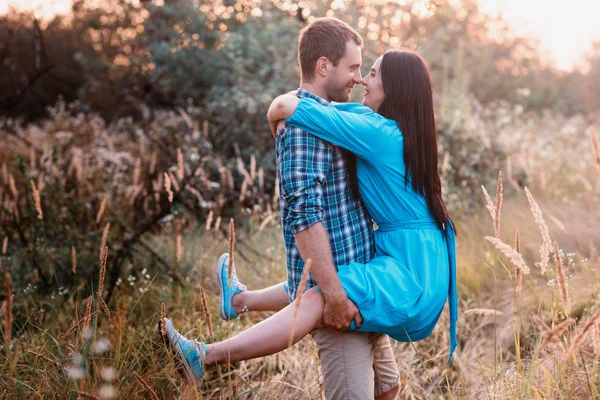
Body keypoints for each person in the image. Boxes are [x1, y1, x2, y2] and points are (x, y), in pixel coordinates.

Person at [162, 21, 458, 400]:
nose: (363, 80)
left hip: (412, 271)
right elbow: (325, 113)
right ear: (323, 66)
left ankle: (204, 356)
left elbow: (292, 108)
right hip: (415, 258)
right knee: (389, 387)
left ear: (394, 88)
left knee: (321, 294)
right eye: (358, 69)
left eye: (370, 72)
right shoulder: (386, 125)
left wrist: (277, 111)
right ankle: (240, 302)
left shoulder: (381, 133)